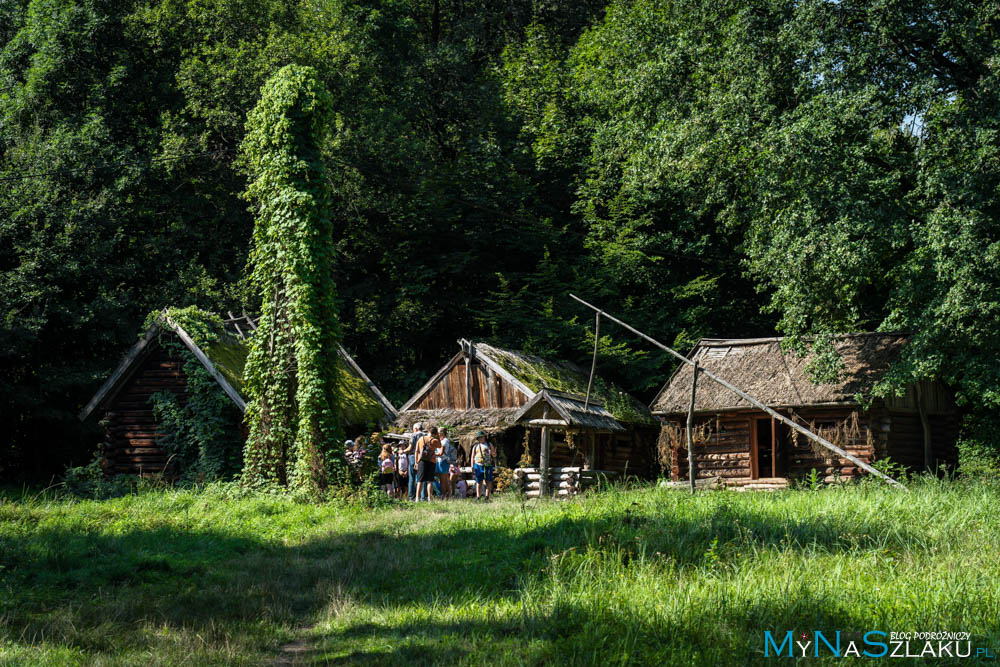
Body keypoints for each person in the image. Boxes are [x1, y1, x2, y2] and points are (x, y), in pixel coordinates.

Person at [415, 427, 440, 502]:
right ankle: (430, 498)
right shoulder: (434, 440)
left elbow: (417, 451)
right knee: (430, 481)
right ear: (435, 433)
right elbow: (440, 446)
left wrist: (416, 462)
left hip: (421, 461)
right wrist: (438, 437)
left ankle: (417, 498)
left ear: (428, 431)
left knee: (420, 481)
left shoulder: (421, 439)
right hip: (431, 461)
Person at [471, 430, 496, 501]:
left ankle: (487, 497)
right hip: (478, 465)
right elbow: (472, 456)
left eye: (481, 437)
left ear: (484, 437)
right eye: (479, 438)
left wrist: (492, 453)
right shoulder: (475, 446)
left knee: (488, 481)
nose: (480, 439)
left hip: (487, 465)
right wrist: (472, 466)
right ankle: (478, 496)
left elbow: (494, 455)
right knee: (478, 481)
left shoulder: (489, 444)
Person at [402, 423, 424, 501]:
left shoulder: (414, 435)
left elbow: (410, 448)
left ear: (416, 428)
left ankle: (411, 496)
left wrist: (403, 451)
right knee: (421, 478)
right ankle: (422, 496)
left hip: (413, 457)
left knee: (412, 477)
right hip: (423, 458)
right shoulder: (425, 435)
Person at [436, 428, 454, 498]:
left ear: (441, 433)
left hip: (443, 461)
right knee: (445, 479)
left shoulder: (444, 441)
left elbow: (441, 453)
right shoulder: (442, 440)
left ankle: (444, 495)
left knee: (443, 480)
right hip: (441, 461)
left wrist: (432, 454)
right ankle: (449, 494)